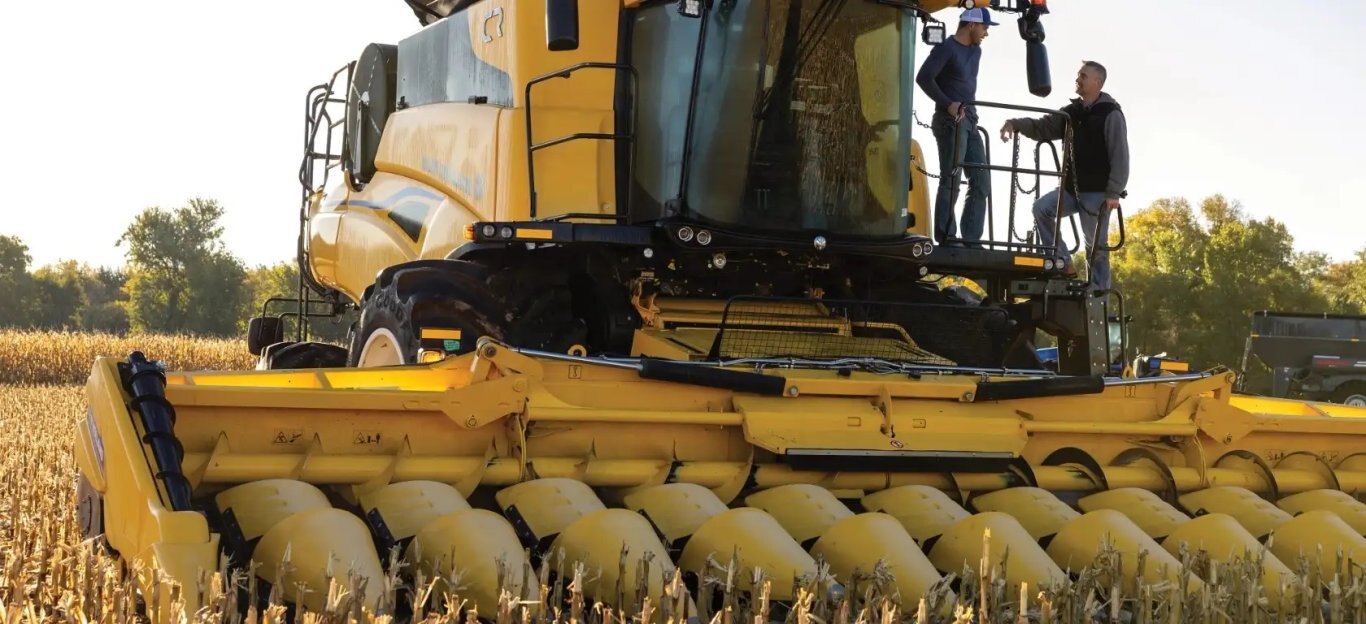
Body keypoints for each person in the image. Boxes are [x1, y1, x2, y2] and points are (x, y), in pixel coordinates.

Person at [999, 60, 1129, 291]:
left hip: (1097, 192)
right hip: (1071, 189)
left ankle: (1098, 290)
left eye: (1083, 76)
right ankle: (1062, 262)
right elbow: (1042, 127)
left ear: (1097, 82)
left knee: (1095, 245)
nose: (1078, 79)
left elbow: (1120, 155)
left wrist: (1114, 192)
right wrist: (1014, 124)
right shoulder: (1070, 113)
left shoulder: (1111, 114)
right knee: (1042, 208)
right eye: (1078, 75)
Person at [916, 7, 996, 247]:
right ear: (971, 25)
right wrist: (947, 103)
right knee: (951, 179)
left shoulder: (976, 51)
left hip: (971, 121)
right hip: (949, 122)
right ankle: (947, 236)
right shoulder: (946, 48)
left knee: (981, 181)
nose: (986, 33)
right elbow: (923, 77)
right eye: (984, 27)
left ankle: (971, 239)